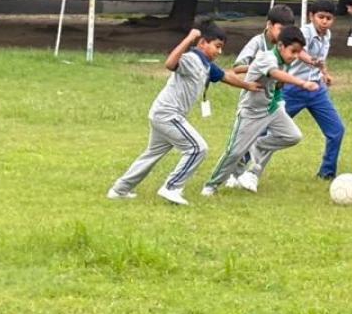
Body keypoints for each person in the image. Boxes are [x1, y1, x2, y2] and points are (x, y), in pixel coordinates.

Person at [108, 22, 258, 205]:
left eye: (221, 48)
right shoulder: (190, 59)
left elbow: (226, 76)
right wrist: (188, 38)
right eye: (217, 46)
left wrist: (248, 86)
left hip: (162, 114)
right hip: (168, 115)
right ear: (202, 43)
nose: (219, 52)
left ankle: (119, 190)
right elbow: (170, 63)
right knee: (198, 148)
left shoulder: (207, 65)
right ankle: (171, 188)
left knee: (152, 154)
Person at [202, 25, 319, 196]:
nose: (295, 57)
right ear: (280, 46)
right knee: (234, 153)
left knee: (293, 136)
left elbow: (277, 84)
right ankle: (211, 185)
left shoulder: (285, 61)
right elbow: (274, 73)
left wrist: (279, 95)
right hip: (251, 112)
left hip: (272, 109)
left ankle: (256, 145)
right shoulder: (267, 57)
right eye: (293, 51)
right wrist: (302, 83)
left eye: (298, 52)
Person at [270, 0, 346, 181]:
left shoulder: (327, 35)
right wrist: (312, 61)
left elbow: (321, 59)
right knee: (268, 129)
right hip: (293, 88)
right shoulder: (304, 32)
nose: (324, 21)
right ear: (311, 16)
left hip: (316, 90)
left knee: (337, 130)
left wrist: (325, 73)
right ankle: (242, 162)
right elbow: (300, 52)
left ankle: (327, 173)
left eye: (329, 18)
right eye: (321, 17)